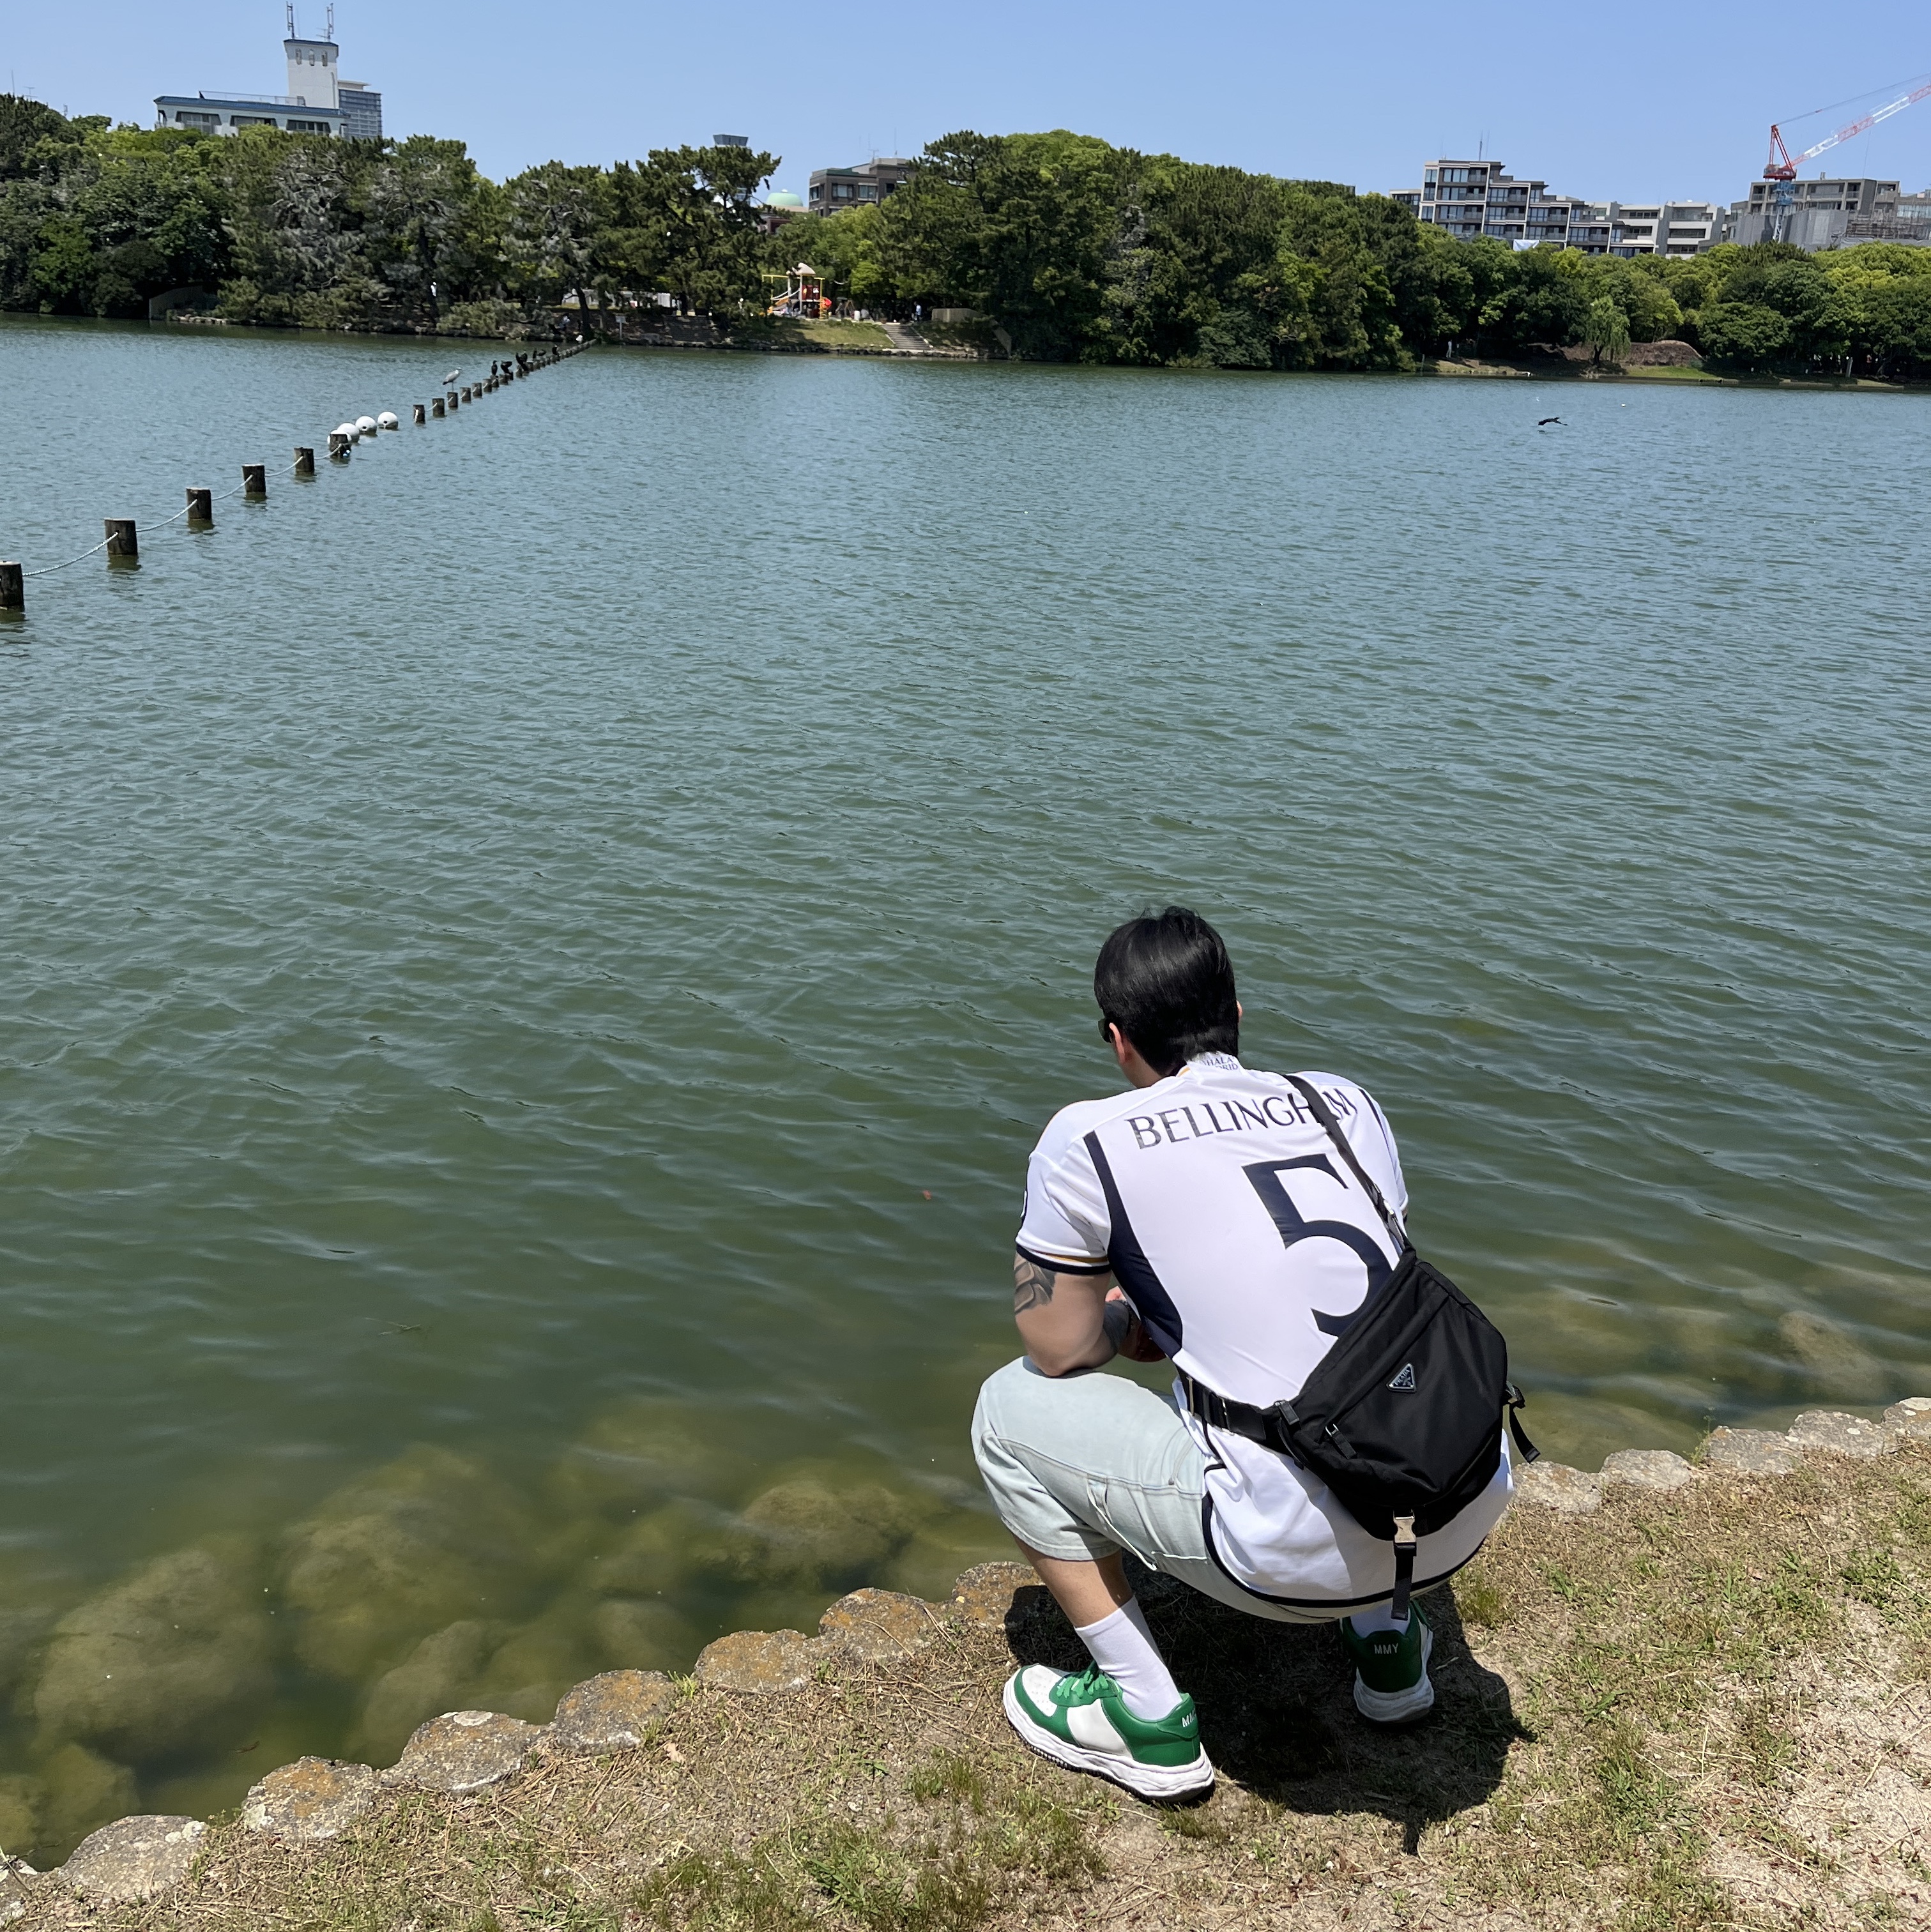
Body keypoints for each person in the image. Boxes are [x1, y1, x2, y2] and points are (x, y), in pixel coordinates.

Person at [972, 908, 1515, 1799]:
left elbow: (1059, 1346)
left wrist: (1129, 1323)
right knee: (1358, 1364)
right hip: (1460, 1500)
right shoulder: (1343, 1102)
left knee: (1006, 1409)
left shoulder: (1087, 1138)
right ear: (1235, 1011)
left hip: (1280, 1562)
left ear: (1117, 1040)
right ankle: (1389, 1649)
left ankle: (1144, 1718)